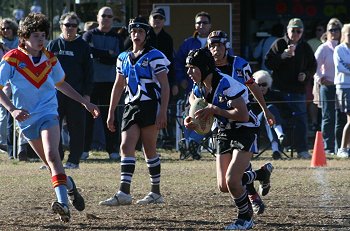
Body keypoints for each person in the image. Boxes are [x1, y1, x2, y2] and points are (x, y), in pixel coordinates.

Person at [0, 13, 99, 222]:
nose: (41, 39)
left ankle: (63, 205)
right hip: (26, 120)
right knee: (51, 164)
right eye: (36, 35)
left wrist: (84, 102)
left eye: (43, 35)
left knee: (53, 156)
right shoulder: (12, 58)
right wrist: (12, 109)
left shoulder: (50, 58)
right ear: (24, 37)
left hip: (48, 113)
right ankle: (70, 186)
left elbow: (61, 83)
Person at [183, 48, 273, 230]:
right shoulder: (198, 86)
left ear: (204, 67)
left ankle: (245, 218)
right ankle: (260, 174)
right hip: (224, 130)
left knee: (233, 180)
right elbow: (196, 104)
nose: (189, 72)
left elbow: (243, 115)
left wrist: (216, 110)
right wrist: (191, 121)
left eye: (193, 68)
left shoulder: (227, 84)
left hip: (244, 129)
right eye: (188, 67)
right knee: (224, 185)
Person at [99, 17, 170, 206]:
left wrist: (162, 111)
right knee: (125, 146)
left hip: (150, 105)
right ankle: (124, 192)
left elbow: (165, 85)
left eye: (140, 32)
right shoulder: (122, 57)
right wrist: (111, 112)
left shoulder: (155, 55)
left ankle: (155, 192)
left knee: (149, 149)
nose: (136, 35)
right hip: (131, 106)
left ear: (147, 35)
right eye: (133, 32)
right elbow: (118, 85)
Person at [207, 30, 275, 216]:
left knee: (237, 171)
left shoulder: (239, 65)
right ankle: (260, 175)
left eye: (219, 45)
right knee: (224, 184)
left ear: (226, 46)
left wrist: (265, 109)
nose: (215, 49)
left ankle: (250, 203)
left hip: (242, 121)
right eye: (211, 46)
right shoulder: (208, 68)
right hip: (221, 124)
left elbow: (252, 85)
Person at [46, 12, 94, 169]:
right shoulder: (53, 45)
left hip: (77, 94)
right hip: (54, 95)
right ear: (61, 26)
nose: (71, 28)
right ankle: (55, 159)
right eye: (67, 25)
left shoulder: (83, 46)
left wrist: (86, 95)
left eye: (74, 26)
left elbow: (89, 72)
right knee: (53, 127)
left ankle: (74, 160)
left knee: (76, 127)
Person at [265, 18, 317, 159]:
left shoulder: (305, 47)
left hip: (298, 91)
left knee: (300, 120)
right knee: (278, 118)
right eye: (292, 30)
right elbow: (268, 62)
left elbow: (313, 66)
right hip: (280, 89)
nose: (295, 33)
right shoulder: (279, 43)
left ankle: (302, 150)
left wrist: (305, 75)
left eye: (298, 31)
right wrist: (281, 56)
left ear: (302, 32)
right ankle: (279, 149)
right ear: (287, 31)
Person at [82, 6, 124, 160]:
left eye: (109, 16)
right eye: (103, 16)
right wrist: (107, 53)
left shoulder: (117, 37)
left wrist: (99, 54)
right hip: (92, 83)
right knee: (88, 118)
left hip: (111, 83)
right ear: (98, 17)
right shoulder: (89, 35)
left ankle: (113, 150)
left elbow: (117, 57)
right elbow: (88, 52)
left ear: (113, 19)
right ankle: (84, 149)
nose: (106, 18)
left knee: (111, 117)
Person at [174, 11, 212, 159]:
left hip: (211, 89)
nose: (201, 25)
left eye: (204, 22)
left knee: (206, 117)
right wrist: (181, 79)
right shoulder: (188, 43)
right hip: (193, 89)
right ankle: (190, 145)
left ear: (210, 25)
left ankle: (192, 142)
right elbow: (178, 63)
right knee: (189, 114)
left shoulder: (215, 43)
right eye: (198, 23)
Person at [314, 18, 345, 155]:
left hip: (342, 86)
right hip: (328, 86)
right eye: (331, 30)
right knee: (328, 117)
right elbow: (314, 67)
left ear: (341, 31)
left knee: (342, 117)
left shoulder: (345, 47)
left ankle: (341, 147)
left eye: (336, 29)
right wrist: (321, 79)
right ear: (327, 32)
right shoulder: (323, 48)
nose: (334, 32)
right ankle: (328, 148)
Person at [148, 7, 176, 149]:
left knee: (165, 109)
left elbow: (171, 62)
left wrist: (174, 83)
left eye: (160, 18)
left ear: (164, 21)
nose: (157, 21)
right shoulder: (145, 35)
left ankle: (166, 140)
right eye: (155, 18)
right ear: (150, 19)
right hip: (147, 80)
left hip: (164, 80)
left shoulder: (167, 39)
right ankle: (150, 140)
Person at [251, 70, 291, 160]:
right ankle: (280, 134)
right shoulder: (251, 96)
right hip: (257, 124)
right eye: (258, 85)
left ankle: (275, 150)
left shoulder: (276, 95)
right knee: (269, 109)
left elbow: (287, 111)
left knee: (270, 119)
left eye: (264, 84)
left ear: (268, 84)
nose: (261, 87)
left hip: (272, 123)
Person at [334, 23, 350, 158]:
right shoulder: (339, 49)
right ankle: (342, 148)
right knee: (349, 119)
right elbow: (340, 67)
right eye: (349, 35)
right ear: (344, 35)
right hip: (344, 87)